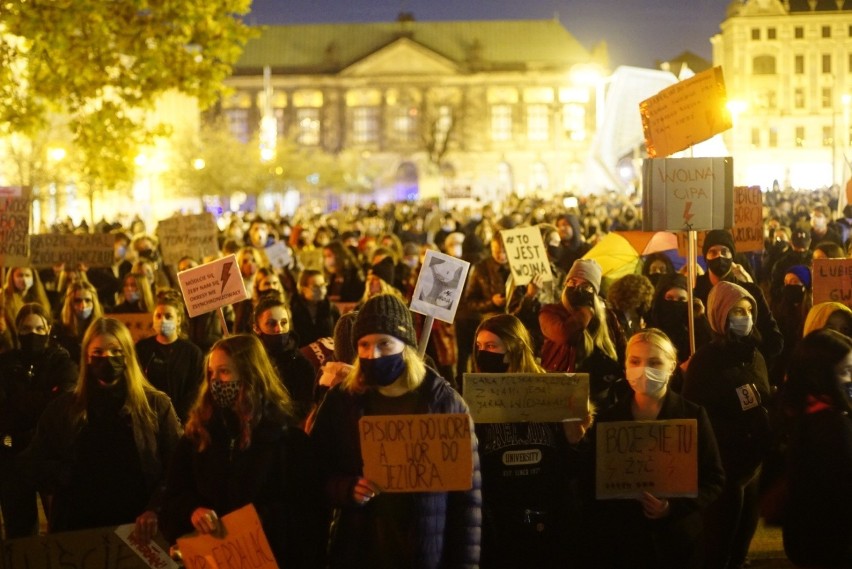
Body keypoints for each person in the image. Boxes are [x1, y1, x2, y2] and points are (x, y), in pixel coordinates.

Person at [310, 294, 482, 568]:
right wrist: (347, 489)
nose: (372, 354)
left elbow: (467, 503)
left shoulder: (443, 402)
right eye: (364, 345)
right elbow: (314, 473)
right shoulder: (342, 402)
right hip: (361, 551)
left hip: (425, 552)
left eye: (384, 344)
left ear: (406, 347)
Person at [158, 334, 325, 567]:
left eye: (224, 372)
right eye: (211, 373)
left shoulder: (286, 440)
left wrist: (259, 519)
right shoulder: (198, 436)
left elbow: (307, 515)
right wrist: (192, 511)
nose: (215, 381)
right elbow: (171, 499)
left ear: (250, 375)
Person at [17, 317, 182, 537]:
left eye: (115, 351)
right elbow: (34, 463)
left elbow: (177, 466)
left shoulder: (155, 406)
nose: (107, 359)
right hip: (79, 526)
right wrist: (66, 475)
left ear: (128, 355)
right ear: (86, 356)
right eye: (98, 353)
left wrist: (155, 509)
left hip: (137, 525)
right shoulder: (65, 409)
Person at [587, 329, 725, 568]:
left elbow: (714, 479)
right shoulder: (608, 420)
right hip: (622, 543)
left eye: (654, 362)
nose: (643, 369)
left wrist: (672, 507)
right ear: (626, 365)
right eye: (635, 361)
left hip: (678, 543)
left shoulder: (692, 415)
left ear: (671, 366)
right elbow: (590, 480)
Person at [472, 313, 591, 569]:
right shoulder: (475, 399)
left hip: (549, 520)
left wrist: (574, 440)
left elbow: (574, 467)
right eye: (479, 347)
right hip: (500, 523)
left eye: (491, 346)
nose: (484, 353)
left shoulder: (551, 392)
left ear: (514, 348)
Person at [682, 281, 772, 569]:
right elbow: (697, 415)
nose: (744, 317)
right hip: (725, 469)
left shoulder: (755, 355)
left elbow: (762, 397)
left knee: (742, 543)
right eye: (736, 310)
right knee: (719, 543)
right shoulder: (705, 362)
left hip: (753, 466)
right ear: (720, 314)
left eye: (748, 310)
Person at [0, 304, 78, 537]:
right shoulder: (6, 363)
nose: (32, 334)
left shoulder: (62, 361)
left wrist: (20, 400)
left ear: (48, 329)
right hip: (13, 457)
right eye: (26, 329)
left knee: (60, 526)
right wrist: (42, 397)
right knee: (20, 529)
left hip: (49, 454)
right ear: (18, 331)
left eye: (38, 328)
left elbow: (61, 404)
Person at [778, 329, 852, 568]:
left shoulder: (807, 410)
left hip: (810, 541)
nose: (851, 379)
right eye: (845, 371)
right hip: (833, 544)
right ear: (822, 374)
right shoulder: (831, 425)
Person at [539, 259, 626, 409]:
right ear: (565, 284)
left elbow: (623, 349)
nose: (577, 288)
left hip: (600, 394)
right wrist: (586, 310)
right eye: (572, 282)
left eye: (585, 285)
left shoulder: (608, 316)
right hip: (561, 391)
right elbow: (564, 335)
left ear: (595, 291)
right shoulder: (551, 312)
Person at [694, 229, 784, 367]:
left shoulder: (751, 291)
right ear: (706, 256)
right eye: (713, 252)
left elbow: (774, 340)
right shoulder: (694, 291)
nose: (719, 256)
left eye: (724, 251)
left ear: (732, 255)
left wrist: (755, 362)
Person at [135, 290, 204, 423]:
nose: (162, 320)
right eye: (158, 316)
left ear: (178, 320)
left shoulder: (192, 353)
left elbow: (196, 389)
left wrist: (178, 415)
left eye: (168, 316)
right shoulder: (142, 349)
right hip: (148, 418)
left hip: (181, 420)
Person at [252, 295, 316, 426]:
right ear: (257, 328)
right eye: (271, 323)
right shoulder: (251, 361)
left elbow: (307, 405)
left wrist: (279, 411)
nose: (279, 329)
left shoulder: (301, 364)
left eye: (284, 322)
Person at [51, 281, 105, 364]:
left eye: (87, 300)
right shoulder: (58, 329)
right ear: (70, 303)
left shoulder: (101, 328)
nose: (83, 305)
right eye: (77, 301)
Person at [289, 269, 340, 348]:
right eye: (316, 286)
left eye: (323, 285)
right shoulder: (292, 309)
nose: (321, 290)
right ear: (303, 289)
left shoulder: (331, 308)